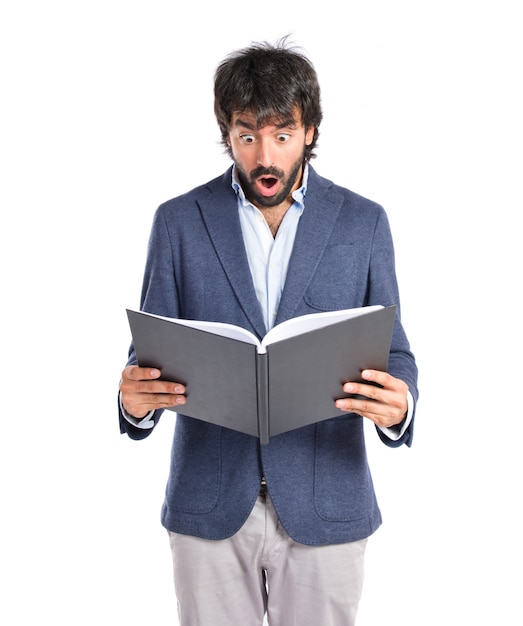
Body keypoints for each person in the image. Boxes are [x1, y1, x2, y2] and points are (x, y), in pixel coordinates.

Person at [119, 38, 418, 626]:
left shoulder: (364, 222)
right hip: (209, 505)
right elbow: (147, 354)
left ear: (309, 131)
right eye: (246, 134)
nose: (264, 156)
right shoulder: (178, 222)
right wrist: (133, 404)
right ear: (226, 133)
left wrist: (400, 403)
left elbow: (396, 351)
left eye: (282, 134)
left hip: (327, 501)